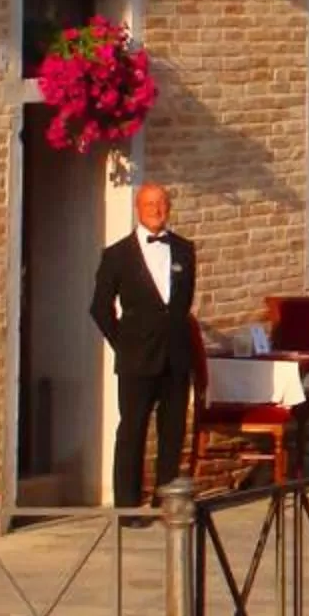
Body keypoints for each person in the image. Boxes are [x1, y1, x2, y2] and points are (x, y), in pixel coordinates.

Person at [90, 182, 198, 506]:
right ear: (138, 209)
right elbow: (99, 308)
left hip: (175, 358)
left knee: (173, 432)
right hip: (137, 358)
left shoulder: (184, 250)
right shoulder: (117, 255)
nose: (156, 210)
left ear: (169, 208)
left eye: (161, 203)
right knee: (132, 432)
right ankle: (127, 506)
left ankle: (166, 500)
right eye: (149, 204)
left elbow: (182, 304)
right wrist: (124, 344)